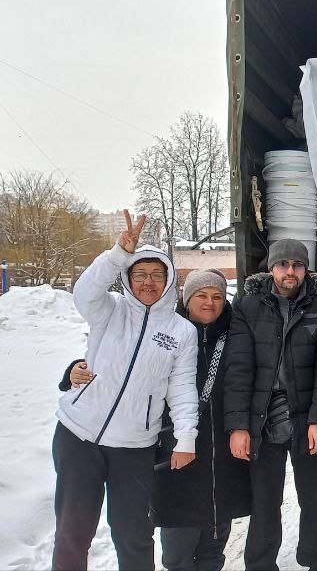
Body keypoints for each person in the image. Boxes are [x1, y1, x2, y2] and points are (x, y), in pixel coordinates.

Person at [51, 210, 199, 571]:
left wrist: (186, 438)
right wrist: (119, 253)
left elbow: (181, 388)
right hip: (78, 436)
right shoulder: (109, 310)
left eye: (156, 275)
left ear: (168, 280)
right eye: (139, 274)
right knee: (73, 531)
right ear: (128, 278)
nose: (148, 282)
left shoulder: (181, 331)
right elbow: (84, 292)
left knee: (133, 534)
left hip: (134, 447)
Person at [223, 239, 317, 571]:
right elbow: (238, 370)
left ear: (306, 269)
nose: (290, 271)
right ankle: (261, 564)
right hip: (263, 418)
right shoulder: (247, 307)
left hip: (306, 417)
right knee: (265, 501)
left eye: (297, 265)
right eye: (283, 264)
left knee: (314, 498)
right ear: (271, 268)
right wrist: (239, 426)